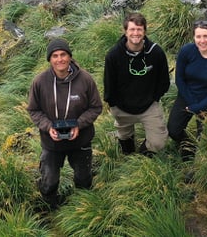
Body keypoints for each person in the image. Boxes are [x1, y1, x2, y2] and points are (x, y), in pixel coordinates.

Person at [27, 38, 103, 208]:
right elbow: (33, 110)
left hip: (81, 139)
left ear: (69, 57)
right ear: (50, 59)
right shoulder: (39, 82)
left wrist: (79, 124)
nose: (59, 59)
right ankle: (51, 208)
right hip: (51, 142)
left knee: (83, 180)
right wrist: (48, 127)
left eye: (63, 54)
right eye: (55, 56)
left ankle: (84, 209)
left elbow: (96, 107)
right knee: (49, 182)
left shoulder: (85, 79)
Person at [103, 12, 169, 155]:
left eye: (139, 29)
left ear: (145, 31)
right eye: (132, 29)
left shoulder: (156, 53)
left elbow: (164, 81)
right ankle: (129, 156)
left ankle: (143, 156)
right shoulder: (113, 55)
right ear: (125, 31)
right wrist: (113, 104)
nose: (136, 33)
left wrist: (154, 98)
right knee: (124, 136)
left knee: (159, 142)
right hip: (122, 107)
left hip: (149, 106)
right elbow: (109, 84)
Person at [167, 21, 207, 160]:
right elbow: (179, 79)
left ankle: (197, 167)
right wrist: (192, 104)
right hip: (187, 96)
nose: (202, 41)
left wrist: (199, 107)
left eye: (206, 36)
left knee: (204, 140)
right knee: (174, 130)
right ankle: (188, 149)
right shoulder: (187, 51)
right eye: (198, 37)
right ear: (194, 37)